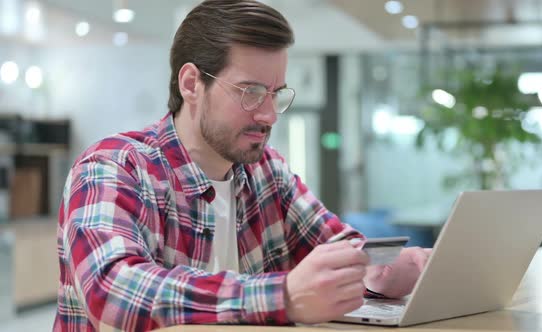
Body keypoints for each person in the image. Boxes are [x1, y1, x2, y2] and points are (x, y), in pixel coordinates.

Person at [53, 0, 431, 330]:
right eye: (250, 92)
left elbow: (340, 247)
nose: (269, 115)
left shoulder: (268, 172)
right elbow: (113, 293)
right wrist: (282, 296)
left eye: (275, 94)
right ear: (191, 84)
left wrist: (378, 271)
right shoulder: (114, 167)